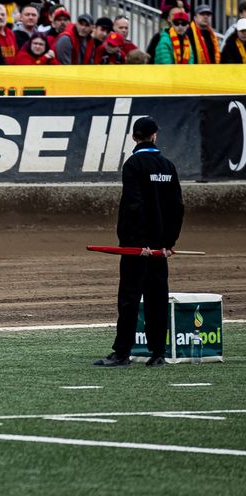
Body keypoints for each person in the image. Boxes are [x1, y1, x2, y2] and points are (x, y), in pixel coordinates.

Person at [93, 117, 184, 368]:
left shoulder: (133, 164)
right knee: (157, 299)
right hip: (159, 249)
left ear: (134, 137)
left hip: (137, 248)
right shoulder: (168, 165)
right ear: (155, 135)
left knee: (129, 299)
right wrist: (168, 243)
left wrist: (137, 243)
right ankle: (158, 354)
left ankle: (122, 353)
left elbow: (135, 205)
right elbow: (177, 207)